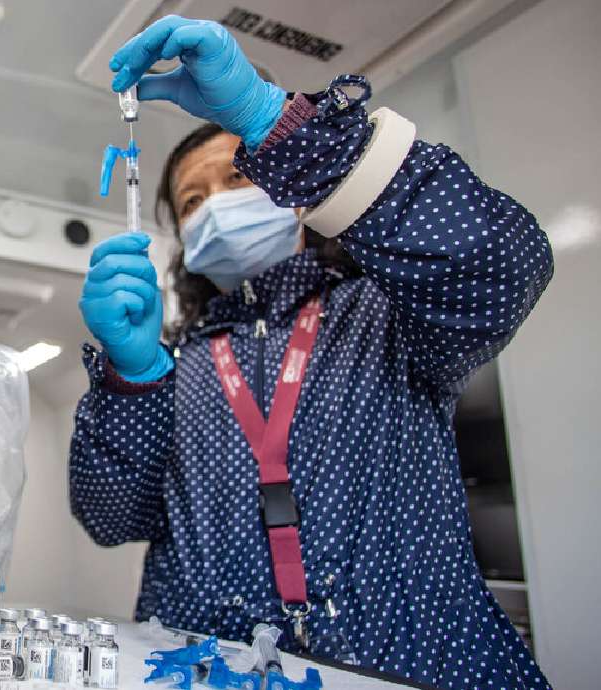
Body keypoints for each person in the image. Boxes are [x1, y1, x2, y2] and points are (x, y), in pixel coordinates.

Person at [70, 16, 552, 689]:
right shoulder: (180, 370)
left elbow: (498, 268)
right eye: (192, 201)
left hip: (411, 665)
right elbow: (110, 518)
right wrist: (133, 377)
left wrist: (278, 125)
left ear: (288, 195)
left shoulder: (385, 315)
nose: (215, 208)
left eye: (238, 179)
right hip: (209, 668)